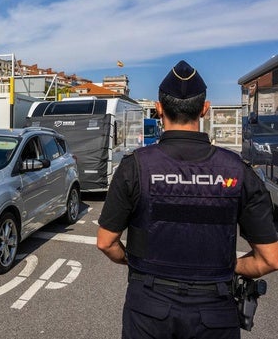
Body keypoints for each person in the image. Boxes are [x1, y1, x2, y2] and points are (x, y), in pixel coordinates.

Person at [97, 60, 278, 338]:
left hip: (149, 307)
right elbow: (269, 258)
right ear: (204, 109)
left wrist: (132, 260)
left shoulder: (135, 166)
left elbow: (106, 242)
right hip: (214, 311)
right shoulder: (237, 170)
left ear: (159, 109)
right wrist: (232, 267)